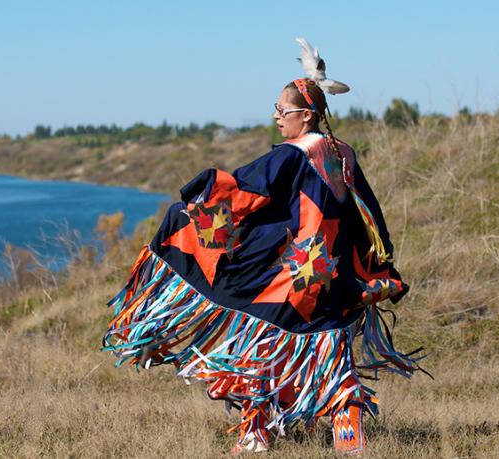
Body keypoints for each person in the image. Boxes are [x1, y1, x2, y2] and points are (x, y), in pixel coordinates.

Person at [102, 38, 425, 454]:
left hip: (292, 274)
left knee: (259, 343)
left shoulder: (292, 154)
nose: (276, 116)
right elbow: (369, 215)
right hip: (330, 271)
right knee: (326, 344)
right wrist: (375, 263)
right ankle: (347, 429)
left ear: (306, 114)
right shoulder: (342, 153)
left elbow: (242, 192)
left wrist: (189, 212)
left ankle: (257, 432)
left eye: (282, 111)